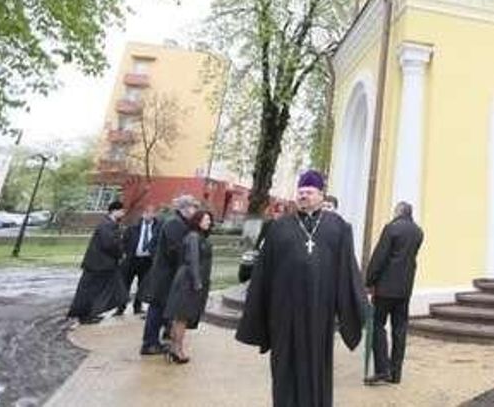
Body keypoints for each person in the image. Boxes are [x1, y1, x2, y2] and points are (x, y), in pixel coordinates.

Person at [236, 170, 367, 407]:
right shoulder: (279, 228)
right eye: (301, 192)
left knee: (316, 365)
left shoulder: (338, 227)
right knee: (284, 367)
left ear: (320, 195)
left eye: (309, 192)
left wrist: (355, 307)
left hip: (319, 315)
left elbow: (347, 271)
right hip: (283, 314)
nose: (303, 196)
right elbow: (264, 273)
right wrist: (260, 312)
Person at [364, 201, 424, 386]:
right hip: (405, 288)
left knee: (376, 325)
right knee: (400, 329)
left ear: (398, 212)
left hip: (385, 288)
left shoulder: (392, 228)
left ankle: (382, 369)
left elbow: (380, 256)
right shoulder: (418, 232)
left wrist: (369, 280)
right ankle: (395, 373)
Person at [139, 195, 198, 356]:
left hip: (167, 274)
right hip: (165, 275)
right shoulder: (174, 224)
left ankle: (156, 340)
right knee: (157, 309)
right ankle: (150, 343)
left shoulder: (179, 222)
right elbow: (175, 251)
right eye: (193, 206)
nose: (195, 210)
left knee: (161, 308)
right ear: (184, 208)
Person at [163, 210, 214, 364]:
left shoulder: (200, 237)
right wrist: (197, 282)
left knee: (181, 317)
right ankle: (177, 350)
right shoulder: (193, 237)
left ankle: (173, 348)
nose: (209, 222)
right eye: (206, 220)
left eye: (209, 220)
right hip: (188, 281)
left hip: (191, 280)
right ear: (197, 221)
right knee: (181, 317)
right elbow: (192, 260)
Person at [67, 200, 127, 325]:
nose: (123, 213)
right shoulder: (107, 225)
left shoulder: (109, 224)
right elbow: (109, 244)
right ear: (114, 211)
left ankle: (88, 314)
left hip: (101, 265)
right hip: (98, 265)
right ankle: (84, 315)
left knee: (94, 291)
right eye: (121, 211)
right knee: (92, 291)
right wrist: (121, 252)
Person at [116, 203, 161, 316]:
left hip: (147, 260)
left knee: (143, 285)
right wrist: (124, 254)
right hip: (132, 259)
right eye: (146, 213)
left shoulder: (158, 227)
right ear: (142, 214)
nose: (149, 215)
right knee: (125, 283)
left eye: (152, 213)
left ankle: (138, 307)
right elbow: (124, 241)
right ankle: (121, 307)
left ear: (155, 214)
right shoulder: (133, 226)